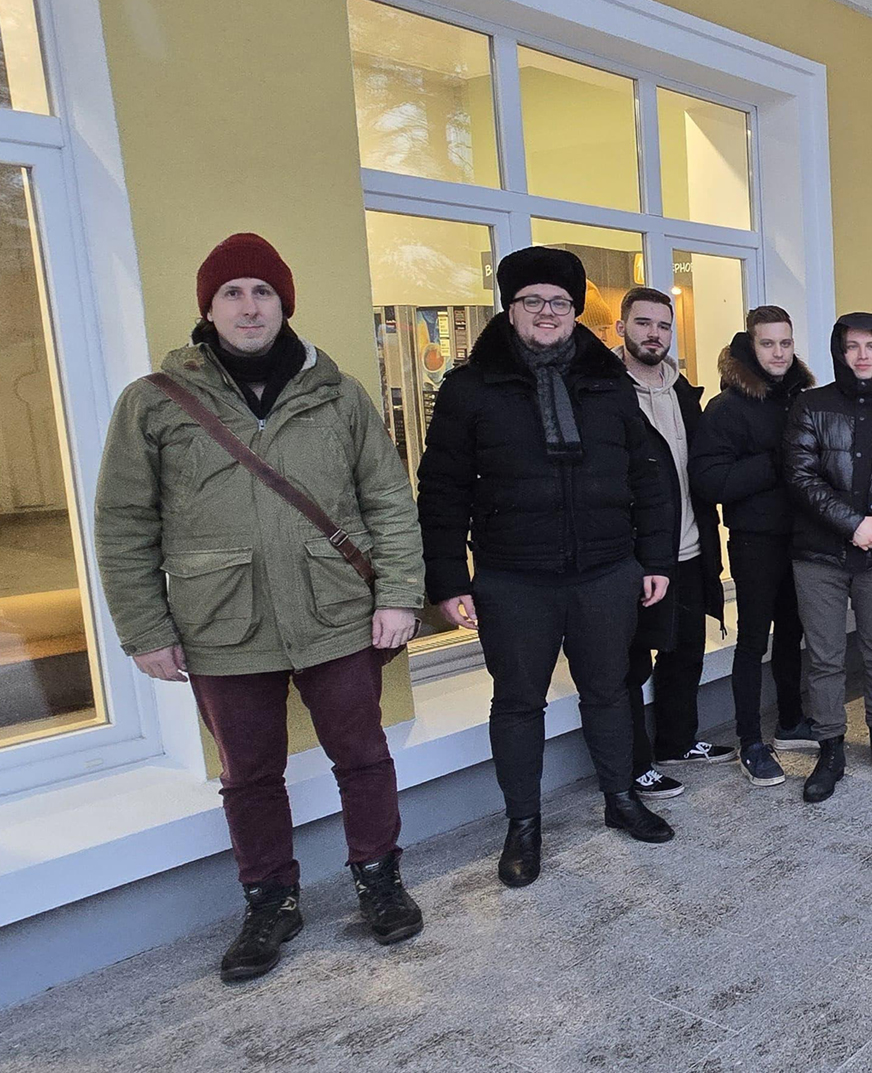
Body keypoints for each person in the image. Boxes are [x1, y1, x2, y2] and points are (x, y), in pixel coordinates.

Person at [95, 232, 426, 982]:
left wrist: (399, 595)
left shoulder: (338, 394)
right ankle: (270, 900)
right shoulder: (154, 402)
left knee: (363, 756)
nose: (250, 307)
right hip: (221, 624)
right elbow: (123, 522)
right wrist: (144, 628)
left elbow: (387, 499)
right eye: (232, 293)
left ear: (285, 304)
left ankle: (379, 880)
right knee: (248, 774)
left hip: (337, 614)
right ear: (208, 309)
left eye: (263, 292)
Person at [418, 246, 676, 889]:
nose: (547, 312)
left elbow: (649, 474)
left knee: (610, 692)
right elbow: (442, 490)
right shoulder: (470, 388)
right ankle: (524, 825)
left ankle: (620, 798)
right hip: (513, 578)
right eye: (532, 300)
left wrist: (655, 560)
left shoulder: (607, 382)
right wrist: (448, 580)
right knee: (517, 704)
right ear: (510, 309)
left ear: (574, 311)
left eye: (559, 302)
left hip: (605, 571)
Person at [783, 312, 872, 801]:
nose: (862, 355)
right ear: (839, 351)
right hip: (818, 552)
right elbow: (800, 475)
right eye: (852, 346)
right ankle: (830, 746)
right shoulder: (810, 405)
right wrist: (851, 523)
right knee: (825, 655)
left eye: (871, 347)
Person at [689, 307, 815, 787]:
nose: (778, 353)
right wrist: (774, 463)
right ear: (750, 344)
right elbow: (709, 480)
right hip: (754, 540)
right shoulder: (727, 407)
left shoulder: (801, 397)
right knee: (753, 639)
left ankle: (790, 721)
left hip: (800, 537)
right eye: (768, 344)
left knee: (792, 633)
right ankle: (750, 742)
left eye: (785, 343)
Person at [615, 287, 726, 806]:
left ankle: (677, 742)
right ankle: (635, 767)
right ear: (622, 328)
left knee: (685, 652)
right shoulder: (606, 393)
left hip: (690, 546)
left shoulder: (682, 391)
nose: (654, 334)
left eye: (663, 325)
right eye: (643, 323)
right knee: (629, 665)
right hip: (634, 558)